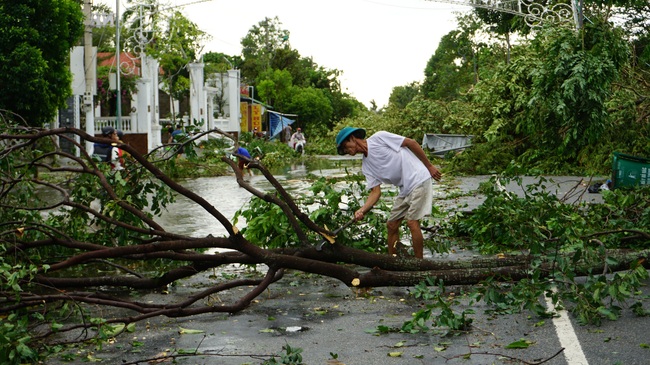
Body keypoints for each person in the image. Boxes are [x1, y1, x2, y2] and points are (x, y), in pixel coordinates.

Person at [335, 127, 442, 259]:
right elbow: (375, 192)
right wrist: (362, 210)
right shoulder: (366, 166)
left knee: (412, 222)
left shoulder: (379, 138)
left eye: (346, 147)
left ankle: (420, 264)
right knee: (392, 224)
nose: (348, 152)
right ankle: (393, 261)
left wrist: (429, 166)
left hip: (419, 178)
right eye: (345, 151)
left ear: (352, 138)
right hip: (405, 188)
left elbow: (411, 143)